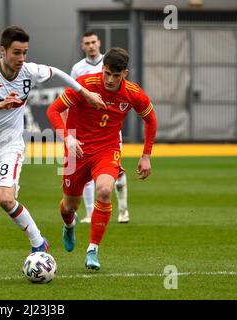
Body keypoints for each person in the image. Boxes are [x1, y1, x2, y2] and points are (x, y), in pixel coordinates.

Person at [0, 26, 105, 281]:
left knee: (5, 198)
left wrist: (84, 93)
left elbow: (58, 72)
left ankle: (38, 243)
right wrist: (0, 104)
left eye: (25, 52)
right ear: (2, 51)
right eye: (16, 52)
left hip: (10, 146)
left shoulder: (29, 71)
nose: (21, 58)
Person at [47, 47, 157, 270]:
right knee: (69, 207)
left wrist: (146, 155)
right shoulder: (84, 84)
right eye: (107, 73)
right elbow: (53, 111)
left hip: (107, 149)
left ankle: (92, 250)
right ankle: (69, 226)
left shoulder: (133, 93)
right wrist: (67, 138)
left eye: (116, 75)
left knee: (105, 191)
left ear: (124, 73)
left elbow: (151, 120)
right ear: (103, 68)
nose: (110, 79)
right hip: (76, 150)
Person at [69, 31, 130, 224]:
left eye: (94, 42)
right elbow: (70, 95)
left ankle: (123, 210)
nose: (91, 46)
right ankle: (89, 213)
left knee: (117, 173)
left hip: (109, 130)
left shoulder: (113, 63)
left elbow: (123, 92)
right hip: (86, 131)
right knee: (85, 174)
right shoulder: (78, 69)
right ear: (82, 46)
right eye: (87, 43)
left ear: (99, 43)